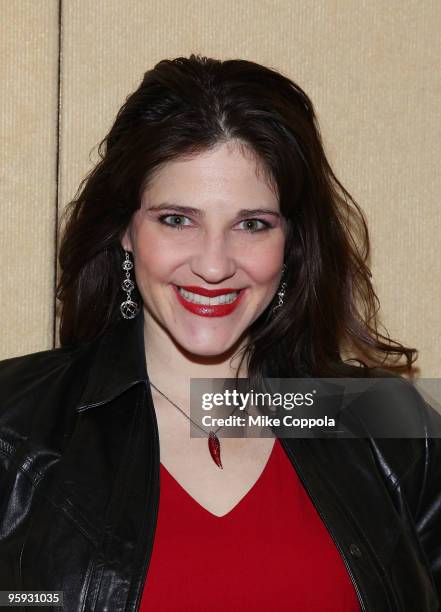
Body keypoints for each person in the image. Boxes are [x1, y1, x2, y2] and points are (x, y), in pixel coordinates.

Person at [0, 54, 440, 612]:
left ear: (291, 244)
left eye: (252, 224)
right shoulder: (13, 429)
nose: (214, 265)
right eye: (177, 219)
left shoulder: (393, 430)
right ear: (126, 232)